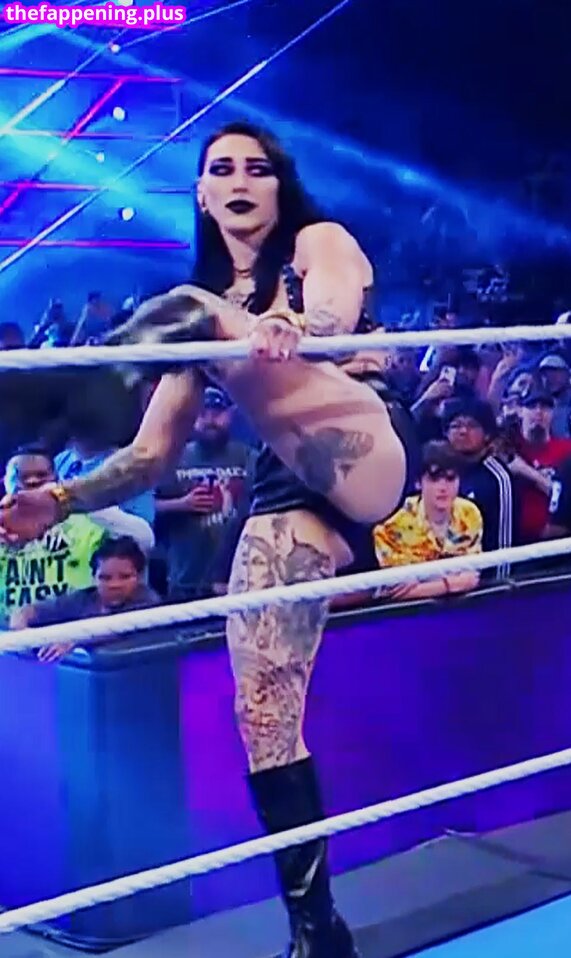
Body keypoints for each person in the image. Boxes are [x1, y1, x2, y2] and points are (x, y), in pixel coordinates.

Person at [0, 121, 417, 958]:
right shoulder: (205, 313)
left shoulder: (316, 241)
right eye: (221, 169)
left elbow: (333, 299)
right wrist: (62, 499)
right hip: (286, 485)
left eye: (256, 169)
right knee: (261, 710)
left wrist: (297, 326)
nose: (239, 181)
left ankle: (59, 391)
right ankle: (317, 932)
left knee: (193, 315)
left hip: (359, 435)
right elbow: (152, 455)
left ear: (278, 184)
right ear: (199, 191)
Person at [0, 446, 155, 627]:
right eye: (22, 476)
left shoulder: (90, 517)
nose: (33, 481)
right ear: (5, 481)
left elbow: (144, 538)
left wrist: (69, 501)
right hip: (9, 634)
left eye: (41, 475)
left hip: (77, 631)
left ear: (55, 477)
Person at [156, 386, 255, 600]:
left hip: (239, 575)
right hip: (186, 578)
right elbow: (144, 508)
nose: (210, 420)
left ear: (231, 414)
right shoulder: (173, 458)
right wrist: (182, 504)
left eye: (217, 413)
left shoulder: (249, 457)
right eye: (203, 413)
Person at [11, 536, 159, 663]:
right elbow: (30, 611)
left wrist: (75, 641)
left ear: (139, 577)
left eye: (125, 577)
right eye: (105, 578)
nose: (115, 585)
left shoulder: (149, 603)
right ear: (93, 578)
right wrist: (21, 628)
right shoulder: (83, 598)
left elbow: (119, 629)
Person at [374, 441, 482, 601]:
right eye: (434, 479)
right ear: (418, 482)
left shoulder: (470, 514)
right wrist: (449, 585)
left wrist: (425, 584)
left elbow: (472, 576)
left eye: (450, 478)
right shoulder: (391, 528)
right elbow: (396, 593)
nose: (443, 487)